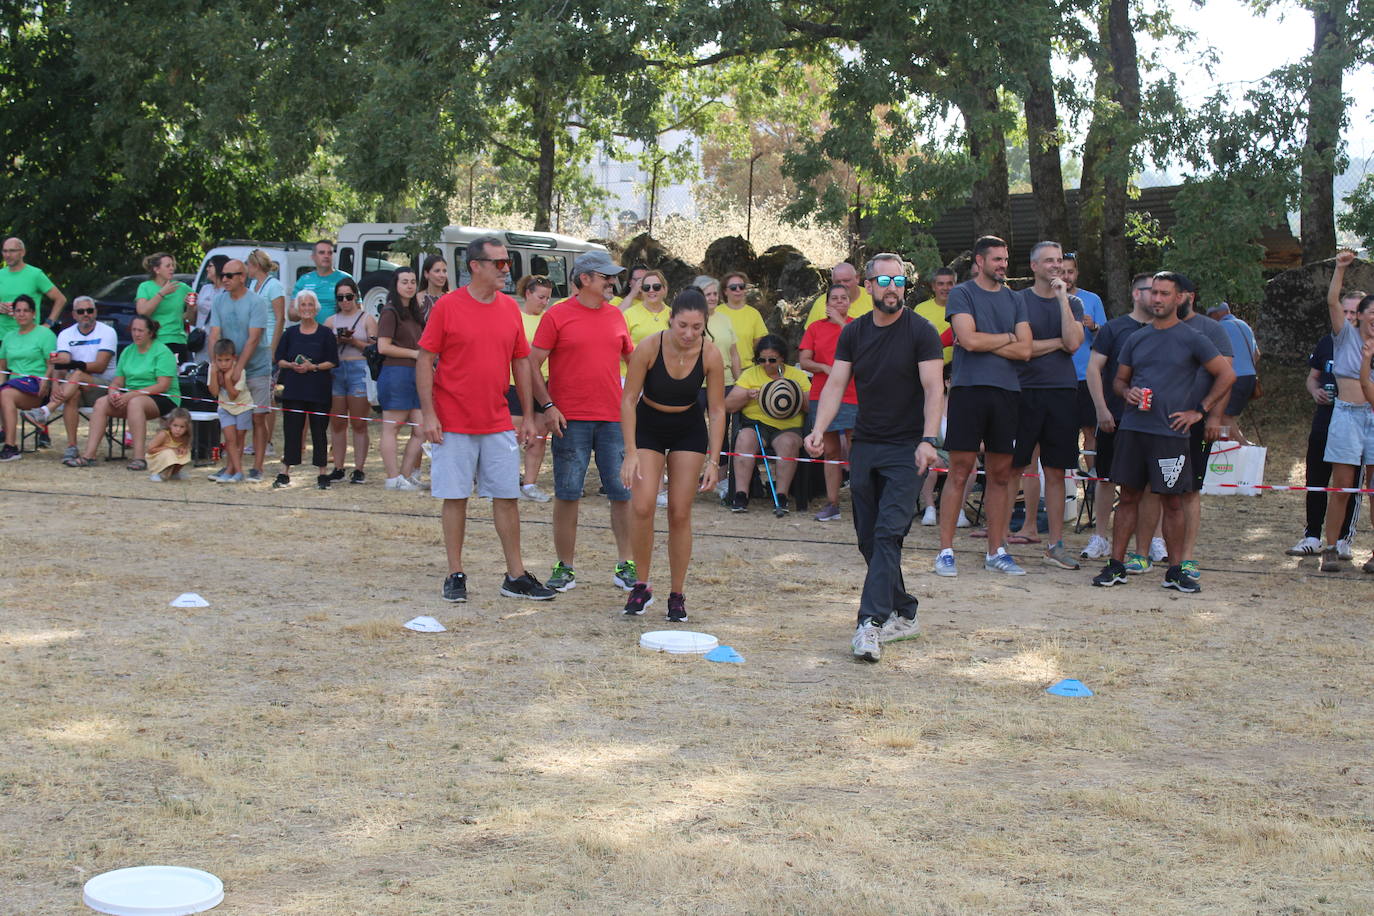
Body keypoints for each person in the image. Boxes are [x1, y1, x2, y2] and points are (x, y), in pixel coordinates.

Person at [805, 252, 944, 663]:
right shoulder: (854, 333)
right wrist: (817, 428)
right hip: (866, 444)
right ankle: (906, 610)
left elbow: (935, 388)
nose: (891, 289)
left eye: (899, 282)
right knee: (869, 539)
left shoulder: (922, 331)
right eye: (883, 282)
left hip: (908, 449)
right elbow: (835, 384)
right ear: (866, 287)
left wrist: (928, 438)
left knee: (887, 534)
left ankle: (870, 624)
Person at [417, 234, 556, 603]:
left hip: (497, 420)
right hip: (452, 421)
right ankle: (455, 574)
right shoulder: (447, 306)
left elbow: (521, 362)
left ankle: (515, 576)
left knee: (507, 496)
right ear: (475, 266)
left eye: (508, 262)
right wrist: (429, 414)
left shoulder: (510, 309)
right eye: (499, 263)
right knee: (455, 497)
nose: (506, 270)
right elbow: (423, 359)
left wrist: (528, 415)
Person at [1091, 271, 1234, 593]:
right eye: (1153, 293)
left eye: (1164, 294)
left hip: (1170, 435)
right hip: (1133, 429)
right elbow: (1119, 380)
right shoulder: (1135, 338)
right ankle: (1116, 565)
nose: (1156, 299)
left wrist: (1200, 410)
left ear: (1179, 298)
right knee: (1127, 497)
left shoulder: (1193, 337)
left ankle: (1175, 569)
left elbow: (1227, 375)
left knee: (1172, 502)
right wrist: (1125, 392)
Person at [528, 251, 637, 593]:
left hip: (613, 420)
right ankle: (565, 567)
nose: (612, 283)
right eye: (606, 277)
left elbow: (634, 361)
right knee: (568, 493)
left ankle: (627, 564)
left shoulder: (616, 317)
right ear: (585, 279)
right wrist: (547, 405)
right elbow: (531, 364)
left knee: (622, 493)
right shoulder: (556, 316)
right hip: (569, 419)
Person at [619, 288, 727, 620]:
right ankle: (641, 585)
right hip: (649, 423)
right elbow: (628, 399)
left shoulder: (710, 355)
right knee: (642, 504)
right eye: (683, 326)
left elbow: (718, 410)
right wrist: (631, 452)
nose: (689, 334)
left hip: (688, 427)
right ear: (671, 319)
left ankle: (677, 594)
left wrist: (714, 460)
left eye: (697, 327)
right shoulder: (649, 347)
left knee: (680, 512)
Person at [935, 235, 1031, 576]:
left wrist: (988, 341)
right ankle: (946, 550)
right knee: (959, 471)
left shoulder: (1015, 298)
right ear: (979, 261)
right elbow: (968, 340)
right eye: (997, 260)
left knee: (1001, 475)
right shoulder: (962, 293)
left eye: (1006, 259)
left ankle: (996, 550)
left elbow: (1025, 350)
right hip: (969, 391)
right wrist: (1007, 337)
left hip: (1007, 392)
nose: (1003, 265)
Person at [1005, 241, 1085, 569]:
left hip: (1062, 392)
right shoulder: (1017, 300)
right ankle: (998, 544)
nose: (1055, 266)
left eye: (1059, 261)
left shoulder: (1074, 302)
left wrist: (1063, 297)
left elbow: (1075, 343)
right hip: (1022, 391)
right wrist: (1057, 344)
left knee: (1055, 470)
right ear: (1034, 266)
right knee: (1012, 468)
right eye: (1048, 261)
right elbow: (1020, 348)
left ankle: (1054, 545)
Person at [1083, 273, 1155, 562]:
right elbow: (1092, 369)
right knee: (1105, 477)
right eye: (1152, 291)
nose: (1158, 297)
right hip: (1115, 417)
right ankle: (1100, 536)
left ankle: (1155, 541)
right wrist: (1101, 408)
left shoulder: (1168, 329)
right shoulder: (1114, 328)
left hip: (1153, 421)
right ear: (1137, 294)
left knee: (1152, 482)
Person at [1287, 290, 1364, 558]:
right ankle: (1311, 535)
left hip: (1357, 422)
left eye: (1355, 312)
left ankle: (1343, 539)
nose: (1350, 317)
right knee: (1316, 479)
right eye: (1346, 311)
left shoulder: (1366, 344)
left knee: (1348, 483)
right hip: (1326, 419)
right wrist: (1315, 391)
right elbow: (1312, 377)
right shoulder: (1327, 342)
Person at [1317, 250, 1374, 572]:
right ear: (1361, 315)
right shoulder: (1345, 337)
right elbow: (1332, 302)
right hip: (1348, 414)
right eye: (1372, 312)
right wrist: (1339, 267)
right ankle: (1331, 548)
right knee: (1342, 484)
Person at [64, 315, 182, 470]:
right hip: (130, 395)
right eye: (133, 330)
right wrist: (113, 392)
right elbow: (118, 381)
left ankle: (139, 457)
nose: (136, 334)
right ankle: (89, 455)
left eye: (140, 330)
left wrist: (131, 394)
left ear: (150, 333)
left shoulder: (162, 351)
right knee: (101, 403)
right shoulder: (127, 351)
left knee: (135, 402)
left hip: (161, 397)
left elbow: (163, 385)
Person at [22, 295, 116, 461]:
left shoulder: (108, 332)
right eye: (81, 311)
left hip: (102, 387)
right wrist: (57, 383)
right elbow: (62, 363)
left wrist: (72, 368)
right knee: (73, 393)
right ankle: (72, 447)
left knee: (77, 373)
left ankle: (45, 411)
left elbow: (100, 366)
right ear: (74, 315)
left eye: (89, 310)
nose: (85, 314)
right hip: (74, 387)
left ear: (96, 312)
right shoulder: (66, 334)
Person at [726, 335, 811, 513]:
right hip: (756, 424)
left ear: (782, 359)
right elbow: (728, 405)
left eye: (772, 360)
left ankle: (781, 496)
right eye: (761, 360)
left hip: (788, 426)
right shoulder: (750, 374)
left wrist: (792, 391)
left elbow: (811, 407)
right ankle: (741, 494)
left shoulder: (796, 375)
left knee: (788, 445)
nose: (766, 364)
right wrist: (747, 395)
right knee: (744, 440)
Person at [206, 259, 271, 481]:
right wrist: (215, 366)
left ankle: (258, 466)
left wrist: (238, 368)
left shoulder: (257, 302)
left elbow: (253, 339)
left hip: (257, 367)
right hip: (227, 366)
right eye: (222, 275)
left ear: (242, 277)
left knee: (258, 417)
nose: (224, 279)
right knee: (231, 420)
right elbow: (214, 334)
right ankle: (232, 467)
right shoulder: (219, 301)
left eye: (229, 275)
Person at [799, 283, 859, 522]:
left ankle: (861, 501)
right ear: (826, 303)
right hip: (823, 394)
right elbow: (804, 361)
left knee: (858, 449)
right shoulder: (815, 328)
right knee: (831, 449)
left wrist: (841, 323)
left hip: (854, 395)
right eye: (834, 299)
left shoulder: (856, 325)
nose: (839, 302)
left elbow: (862, 349)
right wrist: (824, 367)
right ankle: (832, 503)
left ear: (849, 302)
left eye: (843, 298)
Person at [271, 290, 338, 490]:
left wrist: (313, 367)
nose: (307, 308)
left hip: (318, 389)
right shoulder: (289, 333)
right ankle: (285, 471)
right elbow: (279, 359)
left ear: (315, 308)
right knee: (292, 429)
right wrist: (292, 365)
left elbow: (333, 361)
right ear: (298, 309)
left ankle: (322, 473)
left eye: (310, 304)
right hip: (293, 388)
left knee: (319, 431)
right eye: (303, 305)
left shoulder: (325, 333)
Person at [376, 271, 427, 491]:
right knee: (392, 428)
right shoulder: (389, 311)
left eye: (413, 282)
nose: (409, 286)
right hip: (396, 373)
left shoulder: (414, 312)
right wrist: (414, 354)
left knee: (422, 429)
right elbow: (383, 347)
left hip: (417, 375)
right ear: (395, 284)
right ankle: (392, 477)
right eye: (404, 282)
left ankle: (405, 476)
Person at [324, 277, 375, 484]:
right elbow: (323, 350)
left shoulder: (367, 319)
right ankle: (338, 466)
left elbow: (375, 348)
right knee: (337, 422)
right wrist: (336, 341)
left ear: (356, 296)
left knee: (359, 422)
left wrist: (353, 340)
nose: (345, 301)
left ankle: (359, 468)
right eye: (340, 298)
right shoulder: (330, 321)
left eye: (348, 296)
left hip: (359, 369)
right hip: (337, 370)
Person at [509, 275, 554, 501]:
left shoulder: (550, 319)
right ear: (527, 293)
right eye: (540, 297)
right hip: (514, 382)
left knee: (538, 435)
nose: (544, 302)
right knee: (513, 436)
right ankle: (504, 482)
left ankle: (529, 484)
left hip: (544, 383)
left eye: (548, 297)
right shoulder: (514, 316)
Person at [1062, 252, 1107, 470]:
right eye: (1062, 272)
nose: (1066, 276)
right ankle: (1069, 481)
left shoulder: (1092, 300)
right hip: (1060, 378)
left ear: (1077, 273)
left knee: (1090, 431)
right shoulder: (1049, 299)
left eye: (1070, 271)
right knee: (1064, 432)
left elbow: (1107, 339)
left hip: (1087, 377)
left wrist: (1094, 326)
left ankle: (1092, 480)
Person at [0, 296, 58, 461]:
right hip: (12, 385)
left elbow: (52, 364)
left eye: (26, 310)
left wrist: (47, 381)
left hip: (37, 386)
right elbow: (2, 368)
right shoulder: (9, 337)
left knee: (5, 394)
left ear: (33, 313)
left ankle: (11, 447)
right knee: (4, 392)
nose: (21, 314)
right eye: (18, 310)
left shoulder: (45, 334)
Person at [245, 249, 287, 454]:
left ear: (255, 266)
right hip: (256, 344)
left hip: (268, 344)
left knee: (268, 394)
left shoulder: (274, 286)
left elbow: (280, 318)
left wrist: (274, 347)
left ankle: (267, 441)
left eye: (248, 265)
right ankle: (258, 438)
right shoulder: (253, 285)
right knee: (256, 393)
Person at [1206, 302, 1261, 445]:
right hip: (1250, 376)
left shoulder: (1219, 328)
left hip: (1233, 377)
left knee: (1222, 414)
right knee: (1228, 415)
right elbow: (1257, 354)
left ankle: (1244, 444)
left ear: (1217, 314)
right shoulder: (1244, 325)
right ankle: (1228, 443)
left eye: (1211, 316)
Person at [208, 338, 255, 483]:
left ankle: (231, 470)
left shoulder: (239, 370)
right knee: (230, 439)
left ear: (234, 358)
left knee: (239, 440)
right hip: (225, 408)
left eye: (227, 360)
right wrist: (214, 374)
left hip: (243, 407)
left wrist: (228, 379)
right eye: (219, 360)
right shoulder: (213, 368)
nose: (223, 364)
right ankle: (237, 471)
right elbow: (214, 392)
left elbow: (234, 395)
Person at [135, 253, 195, 364]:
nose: (172, 268)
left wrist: (191, 307)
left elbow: (191, 319)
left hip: (177, 340)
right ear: (157, 270)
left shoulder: (182, 288)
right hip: (154, 340)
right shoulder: (145, 287)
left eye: (173, 265)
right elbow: (142, 312)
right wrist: (162, 293)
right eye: (168, 266)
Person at [0, 238, 66, 335]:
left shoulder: (35, 274)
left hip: (29, 337)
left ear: (22, 252)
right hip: (3, 336)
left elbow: (61, 299)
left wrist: (48, 324)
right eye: (5, 251)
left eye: (12, 251)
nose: (8, 255)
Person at [291, 239, 351, 323]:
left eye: (329, 253)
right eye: (322, 252)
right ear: (313, 257)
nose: (326, 256)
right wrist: (305, 309)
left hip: (337, 332)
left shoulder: (345, 278)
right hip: (310, 333)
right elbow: (291, 315)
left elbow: (358, 309)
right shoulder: (304, 280)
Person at [804, 261, 874, 325]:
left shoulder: (874, 298)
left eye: (846, 281)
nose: (842, 285)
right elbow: (810, 335)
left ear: (857, 278)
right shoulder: (821, 303)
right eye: (838, 282)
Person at [913, 267, 955, 364]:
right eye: (940, 284)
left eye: (950, 284)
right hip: (927, 367)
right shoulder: (920, 309)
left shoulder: (963, 310)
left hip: (956, 369)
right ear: (933, 286)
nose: (945, 288)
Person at [718, 271, 767, 353]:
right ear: (725, 291)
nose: (738, 290)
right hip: (720, 365)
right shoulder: (716, 312)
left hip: (748, 365)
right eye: (733, 287)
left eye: (741, 287)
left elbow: (760, 344)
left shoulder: (754, 314)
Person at [622, 268, 669, 345]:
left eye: (656, 287)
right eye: (646, 287)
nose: (651, 290)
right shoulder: (628, 314)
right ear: (641, 290)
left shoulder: (673, 314)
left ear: (665, 289)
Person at [145, 408, 192, 482]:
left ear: (187, 428)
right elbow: (150, 450)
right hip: (156, 458)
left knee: (186, 453)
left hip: (171, 457)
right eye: (175, 426)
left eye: (182, 427)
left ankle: (173, 473)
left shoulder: (185, 437)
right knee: (169, 453)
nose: (178, 429)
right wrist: (169, 449)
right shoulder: (164, 434)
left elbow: (185, 446)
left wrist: (183, 448)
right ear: (170, 424)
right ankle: (157, 473)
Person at [419, 254, 450, 321]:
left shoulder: (451, 300)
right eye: (437, 271)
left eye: (444, 271)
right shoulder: (418, 299)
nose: (442, 275)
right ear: (426, 274)